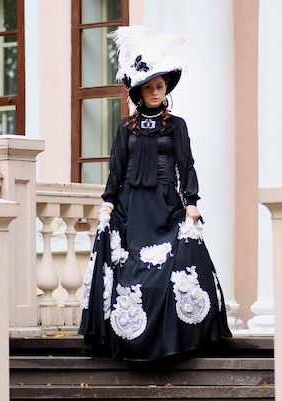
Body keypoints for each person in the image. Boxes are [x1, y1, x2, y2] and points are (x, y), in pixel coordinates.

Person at [78, 26, 232, 361]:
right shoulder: (125, 128)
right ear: (138, 92)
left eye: (159, 86)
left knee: (176, 267)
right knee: (131, 269)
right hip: (132, 207)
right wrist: (108, 202)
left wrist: (191, 203)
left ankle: (173, 340)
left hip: (166, 205)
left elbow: (186, 165)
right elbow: (116, 168)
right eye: (149, 87)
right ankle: (130, 340)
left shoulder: (177, 125)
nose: (155, 92)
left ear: (166, 89)